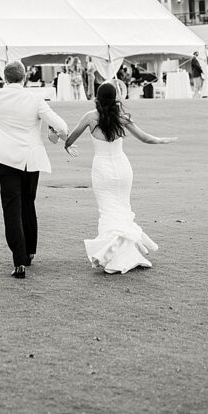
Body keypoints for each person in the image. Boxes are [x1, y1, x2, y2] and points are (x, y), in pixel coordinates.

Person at [0, 60, 69, 280]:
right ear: (24, 77)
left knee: (12, 209)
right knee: (28, 204)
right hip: (31, 159)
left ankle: (19, 261)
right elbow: (62, 126)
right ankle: (29, 252)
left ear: (5, 78)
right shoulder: (35, 99)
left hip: (6, 159)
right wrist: (52, 131)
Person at [64, 82, 177, 274]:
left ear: (97, 98)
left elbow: (70, 138)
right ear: (115, 97)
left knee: (108, 211)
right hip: (123, 168)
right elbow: (146, 138)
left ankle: (112, 256)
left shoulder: (90, 117)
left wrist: (66, 143)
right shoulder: (121, 118)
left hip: (102, 170)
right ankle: (125, 253)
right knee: (123, 209)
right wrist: (162, 140)